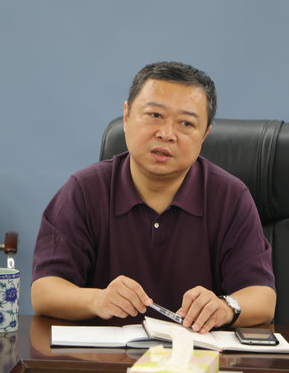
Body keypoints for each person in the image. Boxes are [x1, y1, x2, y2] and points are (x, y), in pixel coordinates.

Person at [31, 61, 276, 333]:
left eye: (186, 123)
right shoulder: (84, 191)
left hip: (197, 356)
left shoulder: (231, 197)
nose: (166, 134)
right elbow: (44, 290)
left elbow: (263, 297)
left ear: (205, 134)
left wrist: (225, 307)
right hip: (105, 355)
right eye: (155, 115)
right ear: (126, 115)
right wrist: (97, 299)